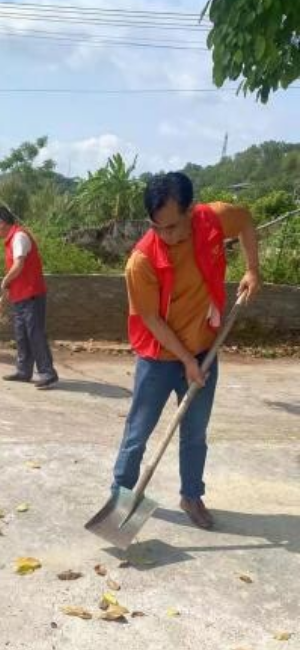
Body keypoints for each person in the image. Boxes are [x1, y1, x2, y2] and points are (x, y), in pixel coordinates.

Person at [111, 172, 261, 529]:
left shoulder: (213, 219)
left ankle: (191, 495)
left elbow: (245, 221)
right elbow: (151, 318)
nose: (166, 236)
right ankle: (119, 498)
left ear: (191, 210)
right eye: (157, 227)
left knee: (195, 433)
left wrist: (252, 269)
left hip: (205, 349)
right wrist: (186, 360)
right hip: (159, 359)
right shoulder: (142, 260)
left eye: (174, 226)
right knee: (137, 434)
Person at [0, 206, 59, 390]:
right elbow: (15, 273)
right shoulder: (12, 239)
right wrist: (5, 295)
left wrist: (5, 280)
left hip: (32, 295)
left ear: (1, 223)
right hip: (21, 296)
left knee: (35, 334)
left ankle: (48, 373)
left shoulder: (19, 237)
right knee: (22, 334)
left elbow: (19, 265)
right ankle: (23, 371)